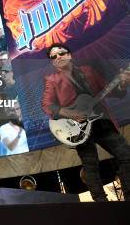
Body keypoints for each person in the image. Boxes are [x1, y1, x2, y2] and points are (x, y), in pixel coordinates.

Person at [42, 43, 130, 202]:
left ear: (69, 55)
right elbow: (47, 105)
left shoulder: (88, 71)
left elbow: (112, 92)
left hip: (102, 122)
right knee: (91, 166)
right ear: (53, 62)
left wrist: (123, 83)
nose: (58, 57)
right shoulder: (52, 80)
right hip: (77, 128)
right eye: (53, 57)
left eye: (61, 53)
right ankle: (101, 203)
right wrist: (70, 113)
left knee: (126, 155)